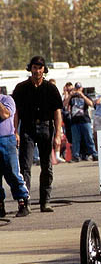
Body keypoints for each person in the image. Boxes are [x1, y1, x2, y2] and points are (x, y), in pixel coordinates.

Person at [12, 56, 63, 214]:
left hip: (46, 128)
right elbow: (15, 113)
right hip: (27, 129)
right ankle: (25, 202)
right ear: (30, 68)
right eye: (34, 67)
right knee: (25, 167)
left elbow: (57, 112)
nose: (37, 71)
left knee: (46, 167)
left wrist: (58, 134)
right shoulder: (21, 88)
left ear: (44, 70)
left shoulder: (51, 88)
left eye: (40, 68)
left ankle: (45, 201)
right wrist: (14, 132)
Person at [0, 94, 30, 217]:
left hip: (6, 140)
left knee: (12, 172)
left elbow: (5, 114)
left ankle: (22, 201)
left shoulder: (7, 100)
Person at [63, 82, 98, 162]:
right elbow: (64, 105)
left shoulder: (85, 96)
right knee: (76, 139)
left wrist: (82, 95)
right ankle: (75, 155)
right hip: (75, 121)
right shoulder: (72, 97)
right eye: (77, 88)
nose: (78, 90)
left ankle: (94, 154)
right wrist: (70, 95)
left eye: (79, 88)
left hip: (85, 120)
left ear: (81, 88)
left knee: (89, 138)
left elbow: (91, 104)